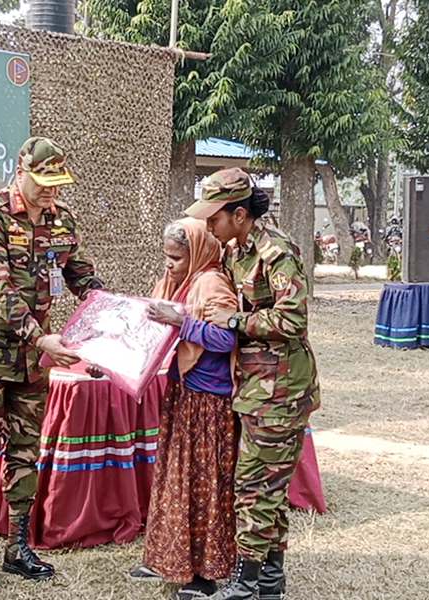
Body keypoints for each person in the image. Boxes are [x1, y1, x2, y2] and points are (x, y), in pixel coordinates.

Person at [0, 136, 104, 592]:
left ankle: (18, 547)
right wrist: (40, 336)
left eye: (57, 182)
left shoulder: (62, 219)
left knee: (25, 449)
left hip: (32, 359)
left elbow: (79, 272)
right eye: (42, 180)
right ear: (20, 172)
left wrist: (107, 307)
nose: (50, 190)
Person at [186, 168, 320, 600]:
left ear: (239, 214)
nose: (208, 226)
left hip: (280, 390)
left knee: (254, 486)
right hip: (255, 387)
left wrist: (236, 321)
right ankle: (269, 580)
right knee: (269, 485)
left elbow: (294, 320)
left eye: (214, 218)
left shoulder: (275, 251)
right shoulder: (235, 250)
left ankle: (244, 585)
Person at [130, 217, 239, 600]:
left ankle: (205, 573)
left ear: (196, 254)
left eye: (176, 258)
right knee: (177, 478)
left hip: (209, 399)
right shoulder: (178, 282)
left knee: (204, 484)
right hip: (183, 391)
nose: (169, 264)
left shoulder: (212, 283)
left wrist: (182, 321)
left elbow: (226, 338)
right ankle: (167, 558)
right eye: (166, 256)